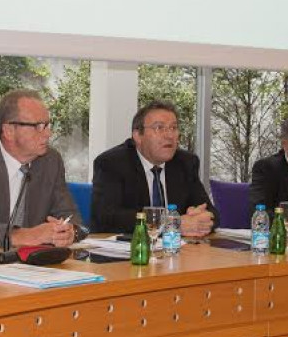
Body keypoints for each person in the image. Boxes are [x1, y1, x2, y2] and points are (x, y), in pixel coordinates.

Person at [0, 90, 84, 248]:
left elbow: (71, 217)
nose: (48, 133)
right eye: (38, 126)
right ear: (9, 131)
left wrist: (68, 232)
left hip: (36, 266)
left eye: (47, 125)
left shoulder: (51, 161)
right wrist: (21, 236)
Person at [90, 100, 217, 236]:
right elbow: (107, 217)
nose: (169, 135)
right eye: (159, 128)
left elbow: (212, 213)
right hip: (129, 251)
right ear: (138, 136)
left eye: (173, 128)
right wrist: (171, 223)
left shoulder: (185, 162)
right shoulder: (112, 163)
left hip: (177, 250)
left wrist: (202, 218)